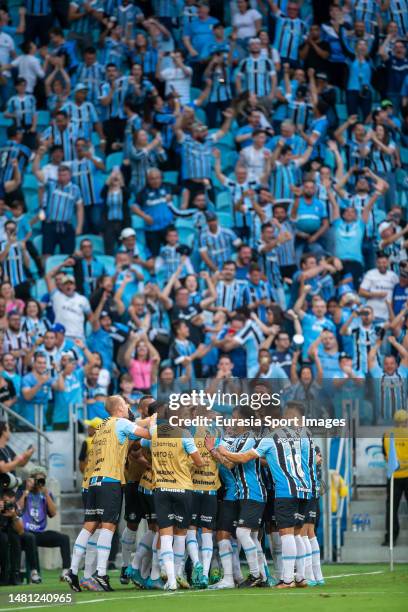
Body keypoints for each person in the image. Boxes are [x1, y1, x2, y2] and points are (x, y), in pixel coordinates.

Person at [65, 395, 154, 592]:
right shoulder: (121, 423)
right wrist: (156, 421)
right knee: (108, 527)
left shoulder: (101, 428)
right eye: (125, 403)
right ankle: (101, 574)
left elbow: (126, 443)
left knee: (89, 526)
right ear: (120, 408)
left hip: (93, 482)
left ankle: (72, 570)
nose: (128, 406)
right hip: (110, 481)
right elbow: (147, 433)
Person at [382, 409, 408, 546]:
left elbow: (386, 456)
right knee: (391, 508)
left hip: (394, 476)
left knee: (391, 509)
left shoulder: (387, 435)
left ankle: (390, 538)